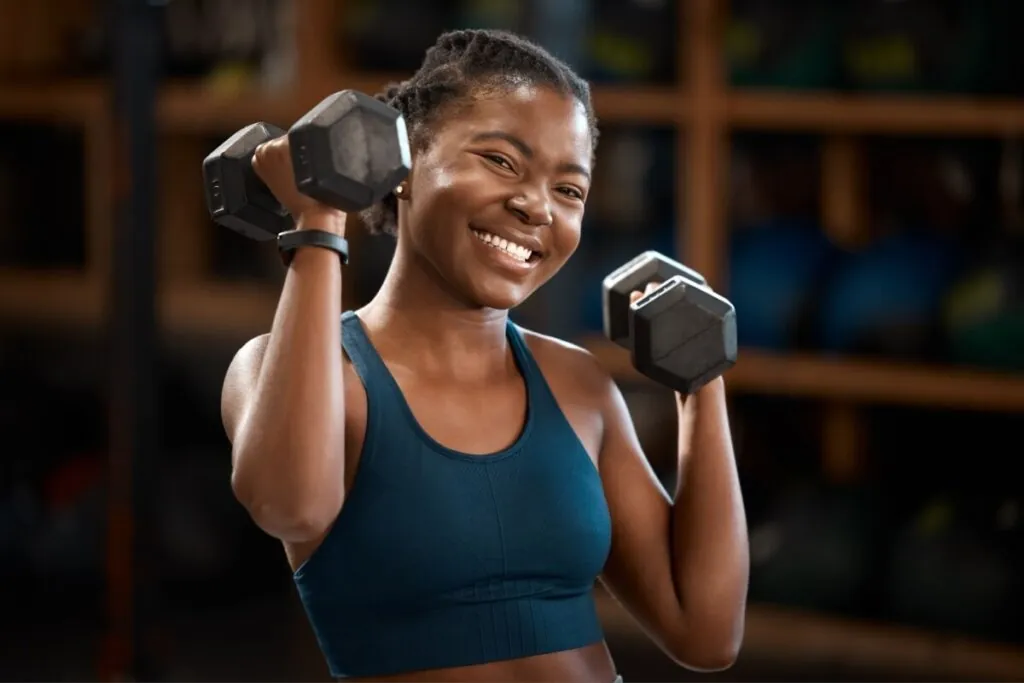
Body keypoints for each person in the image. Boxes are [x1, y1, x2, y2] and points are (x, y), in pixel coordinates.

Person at [221, 28, 749, 683]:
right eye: (501, 160)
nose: (535, 206)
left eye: (569, 189)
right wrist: (319, 223)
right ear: (402, 165)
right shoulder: (304, 371)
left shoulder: (576, 384)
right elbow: (289, 506)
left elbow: (706, 631)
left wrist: (702, 379)